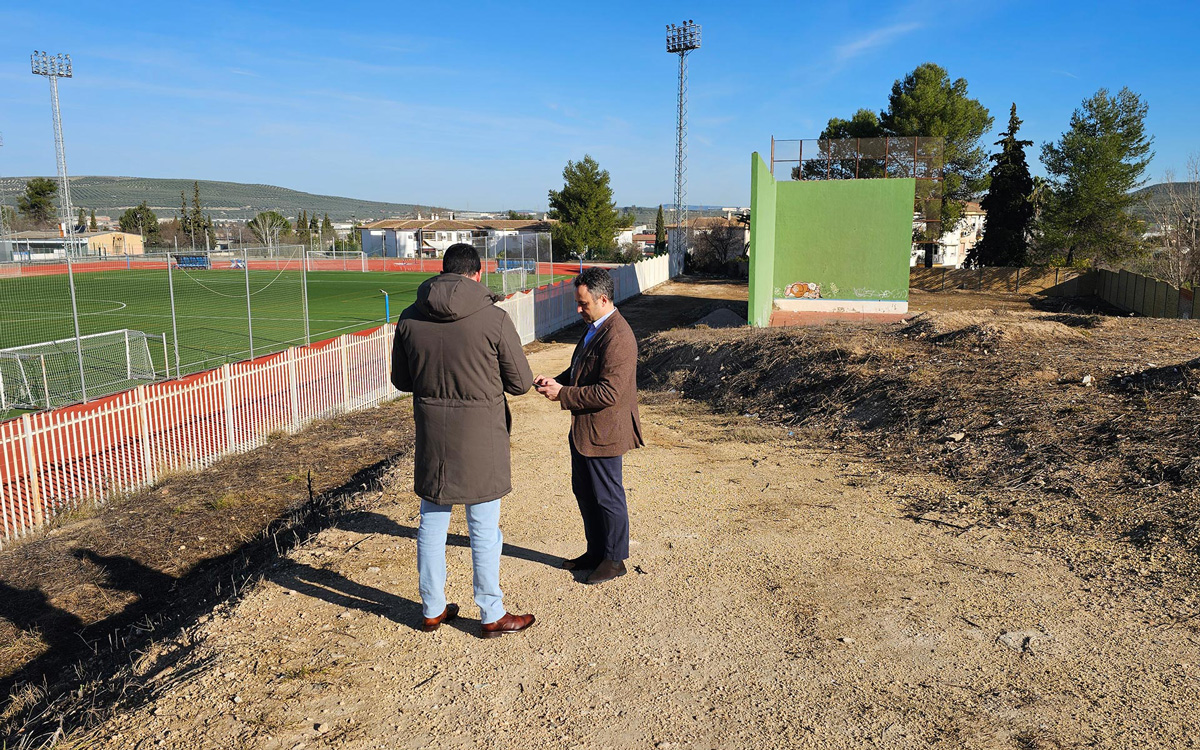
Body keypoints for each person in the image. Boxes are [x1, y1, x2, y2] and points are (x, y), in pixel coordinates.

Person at [391, 243, 536, 638]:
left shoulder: (409, 317)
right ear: (477, 274)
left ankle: (432, 608)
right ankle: (491, 612)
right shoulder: (493, 319)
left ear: (442, 271)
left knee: (431, 524)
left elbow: (401, 380)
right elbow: (521, 383)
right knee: (483, 528)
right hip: (481, 436)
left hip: (433, 435)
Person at [534, 267, 643, 585]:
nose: (579, 310)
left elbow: (610, 392)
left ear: (603, 299)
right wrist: (557, 381)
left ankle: (615, 559)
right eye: (578, 303)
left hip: (605, 431)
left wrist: (563, 393)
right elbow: (580, 370)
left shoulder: (618, 336)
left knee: (608, 496)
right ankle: (596, 552)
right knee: (586, 492)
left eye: (584, 304)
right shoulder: (594, 328)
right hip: (585, 430)